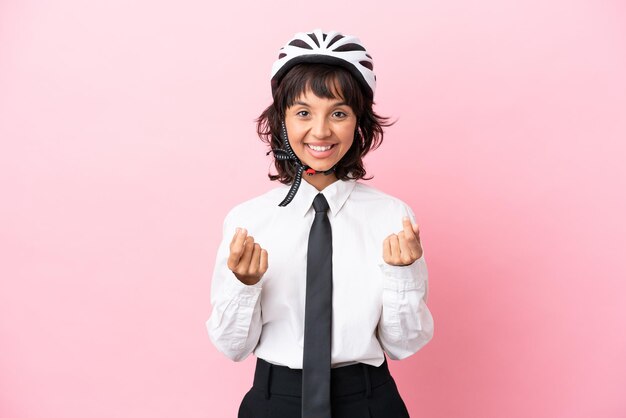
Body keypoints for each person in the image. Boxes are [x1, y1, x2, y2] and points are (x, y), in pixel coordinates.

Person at [206, 29, 434, 418]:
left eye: (339, 113)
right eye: (303, 112)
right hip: (275, 401)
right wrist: (244, 286)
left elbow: (402, 346)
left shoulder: (393, 217)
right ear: (281, 121)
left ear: (359, 124)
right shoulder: (248, 220)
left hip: (368, 401)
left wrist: (403, 274)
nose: (322, 130)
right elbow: (233, 348)